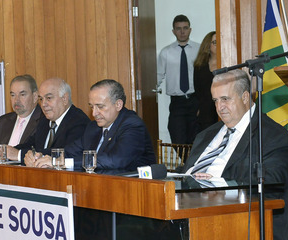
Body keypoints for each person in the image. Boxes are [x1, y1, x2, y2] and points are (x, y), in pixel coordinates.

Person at [180, 69, 288, 240]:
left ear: (244, 97)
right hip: (191, 217)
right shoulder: (207, 135)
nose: (220, 107)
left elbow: (271, 183)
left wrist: (215, 184)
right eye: (215, 100)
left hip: (241, 224)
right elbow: (188, 172)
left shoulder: (275, 138)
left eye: (225, 99)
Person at [47, 79, 156, 172]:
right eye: (92, 107)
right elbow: (69, 151)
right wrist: (42, 156)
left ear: (118, 105)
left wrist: (62, 163)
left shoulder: (133, 125)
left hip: (133, 186)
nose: (94, 113)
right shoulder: (93, 127)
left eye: (100, 107)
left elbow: (114, 160)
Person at [17, 78, 90, 167]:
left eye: (49, 98)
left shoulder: (79, 121)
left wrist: (21, 154)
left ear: (64, 99)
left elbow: (66, 153)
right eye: (41, 99)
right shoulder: (45, 120)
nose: (43, 104)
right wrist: (10, 151)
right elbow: (30, 145)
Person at [157, 14, 200, 144]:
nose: (182, 32)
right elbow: (158, 75)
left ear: (190, 30)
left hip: (195, 100)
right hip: (177, 102)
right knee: (177, 137)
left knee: (197, 138)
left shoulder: (199, 50)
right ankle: (184, 158)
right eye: (178, 28)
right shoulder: (166, 52)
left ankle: (193, 158)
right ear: (173, 31)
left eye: (185, 28)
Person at [193, 31, 218, 137]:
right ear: (208, 46)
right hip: (206, 110)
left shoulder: (227, 63)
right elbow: (197, 89)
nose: (218, 45)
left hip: (223, 107)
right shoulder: (200, 65)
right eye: (215, 42)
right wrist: (199, 108)